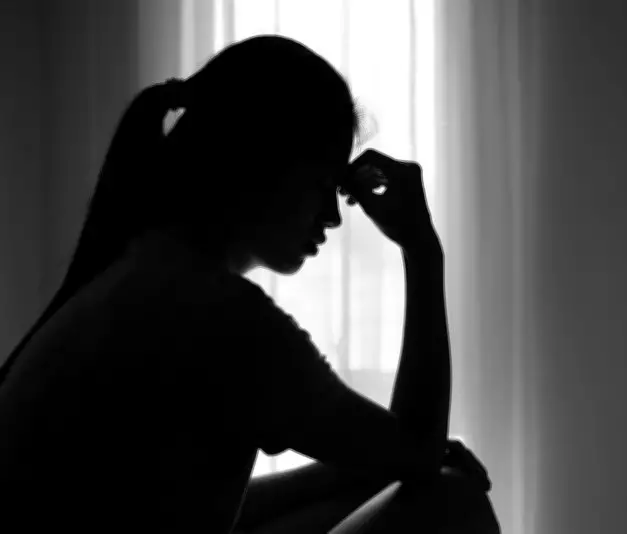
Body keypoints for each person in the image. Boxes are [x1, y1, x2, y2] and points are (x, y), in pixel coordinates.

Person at [0, 36, 500, 533]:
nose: (333, 216)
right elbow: (418, 452)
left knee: (403, 479)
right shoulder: (221, 317)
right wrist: (422, 250)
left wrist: (380, 464)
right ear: (260, 163)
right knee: (450, 498)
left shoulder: (142, 275)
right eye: (322, 184)